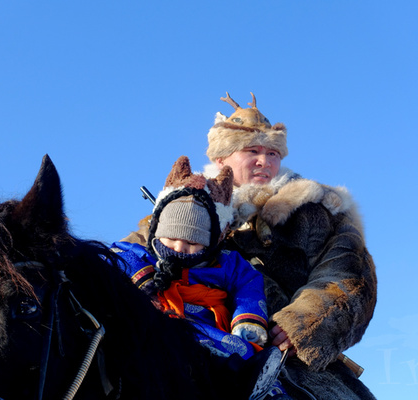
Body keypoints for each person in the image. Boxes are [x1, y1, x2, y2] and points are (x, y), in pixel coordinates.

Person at [122, 93, 378, 400]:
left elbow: (348, 275)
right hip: (182, 330)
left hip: (288, 357)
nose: (264, 161)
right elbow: (126, 253)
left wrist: (304, 322)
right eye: (252, 150)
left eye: (273, 153)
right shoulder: (184, 203)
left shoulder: (321, 209)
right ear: (221, 158)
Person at [113, 156, 290, 400]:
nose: (179, 247)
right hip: (158, 319)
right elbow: (116, 255)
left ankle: (258, 385)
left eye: (191, 242)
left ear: (212, 241)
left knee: (235, 352)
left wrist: (247, 320)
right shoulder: (144, 255)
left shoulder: (225, 264)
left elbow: (248, 284)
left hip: (206, 328)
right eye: (170, 238)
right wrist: (143, 280)